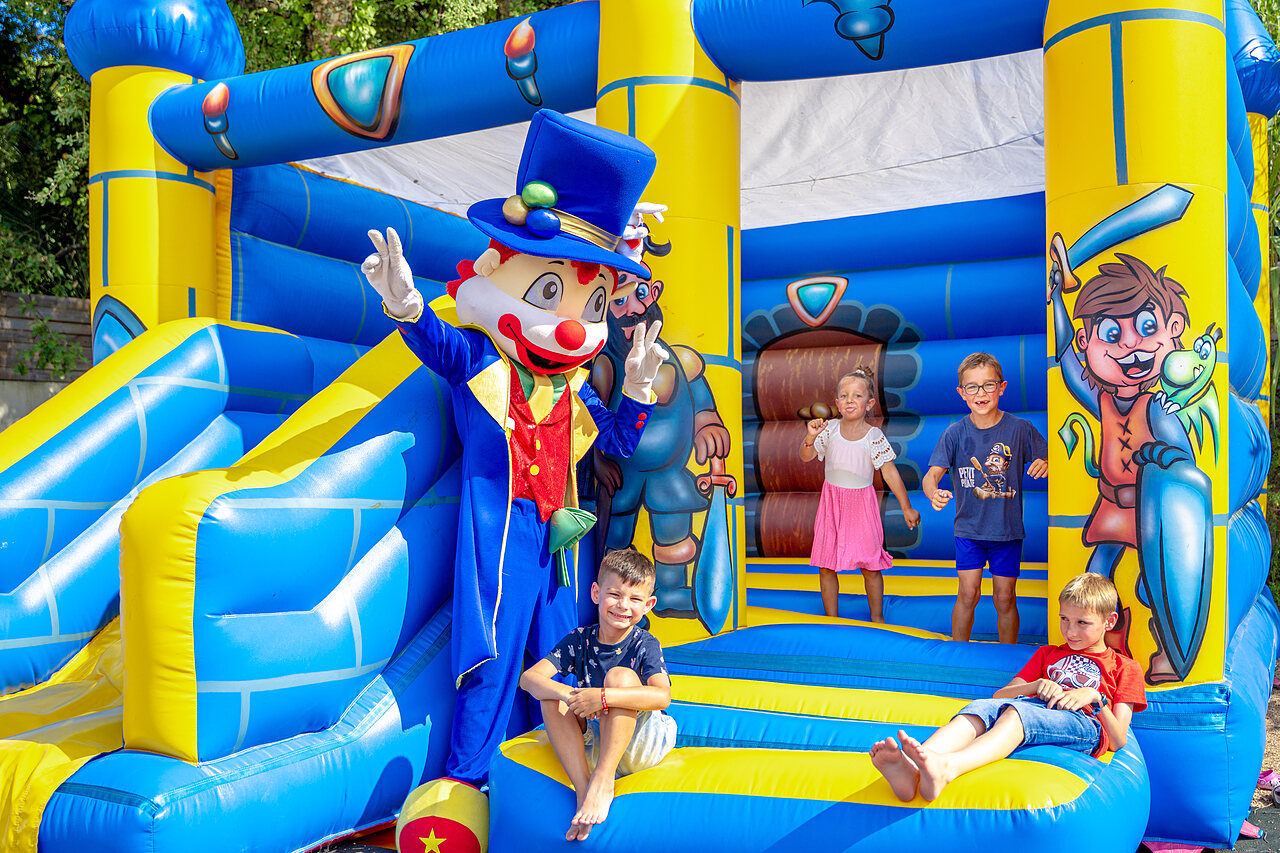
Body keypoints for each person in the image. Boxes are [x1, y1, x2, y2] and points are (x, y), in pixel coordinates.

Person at [869, 572, 1147, 802]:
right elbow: (1001, 696)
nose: (1070, 631)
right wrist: (1036, 684)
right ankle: (914, 770)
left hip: (1083, 722)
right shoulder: (1048, 654)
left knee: (1017, 715)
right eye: (1064, 619)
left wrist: (1096, 698)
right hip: (1032, 706)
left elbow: (1119, 738)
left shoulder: (1124, 666)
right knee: (978, 708)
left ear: (1108, 621)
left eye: (1082, 623)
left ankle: (948, 767)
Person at [519, 549, 676, 842]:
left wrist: (603, 697)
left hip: (641, 742)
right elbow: (529, 679)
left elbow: (661, 696)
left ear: (649, 604)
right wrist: (570, 695)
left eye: (635, 599)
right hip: (597, 738)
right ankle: (583, 787)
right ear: (596, 592)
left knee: (620, 677)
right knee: (551, 695)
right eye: (614, 594)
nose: (623, 605)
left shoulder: (645, 643)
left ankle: (604, 780)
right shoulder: (580, 640)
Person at [922, 352, 1048, 643]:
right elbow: (931, 476)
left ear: (1002, 387)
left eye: (988, 385)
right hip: (969, 531)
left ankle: (1007, 654)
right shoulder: (954, 434)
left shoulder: (1020, 429)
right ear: (961, 393)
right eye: (972, 387)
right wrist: (933, 493)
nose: (981, 393)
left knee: (1005, 598)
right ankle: (959, 651)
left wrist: (1046, 462)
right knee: (968, 593)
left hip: (1007, 531)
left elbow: (1050, 456)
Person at [801, 368, 920, 621]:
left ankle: (877, 618)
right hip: (832, 502)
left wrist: (907, 507)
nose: (849, 400)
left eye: (857, 396)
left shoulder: (873, 436)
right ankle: (831, 618)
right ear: (837, 403)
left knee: (870, 565)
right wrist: (810, 437)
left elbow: (890, 473)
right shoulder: (829, 429)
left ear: (869, 404)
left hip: (860, 505)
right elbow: (806, 456)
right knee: (826, 564)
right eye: (844, 396)